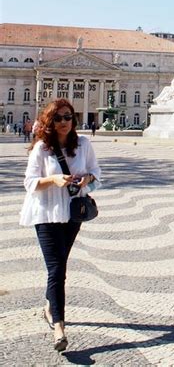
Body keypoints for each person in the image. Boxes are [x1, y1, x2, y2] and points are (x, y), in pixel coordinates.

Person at [19, 99, 101, 353]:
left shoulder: (84, 144)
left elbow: (97, 174)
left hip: (72, 213)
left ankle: (49, 305)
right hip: (46, 213)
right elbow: (30, 183)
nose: (64, 122)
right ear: (49, 121)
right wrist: (54, 179)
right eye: (58, 118)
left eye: (68, 117)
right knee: (56, 269)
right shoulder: (42, 149)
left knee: (60, 264)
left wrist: (87, 178)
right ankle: (59, 327)